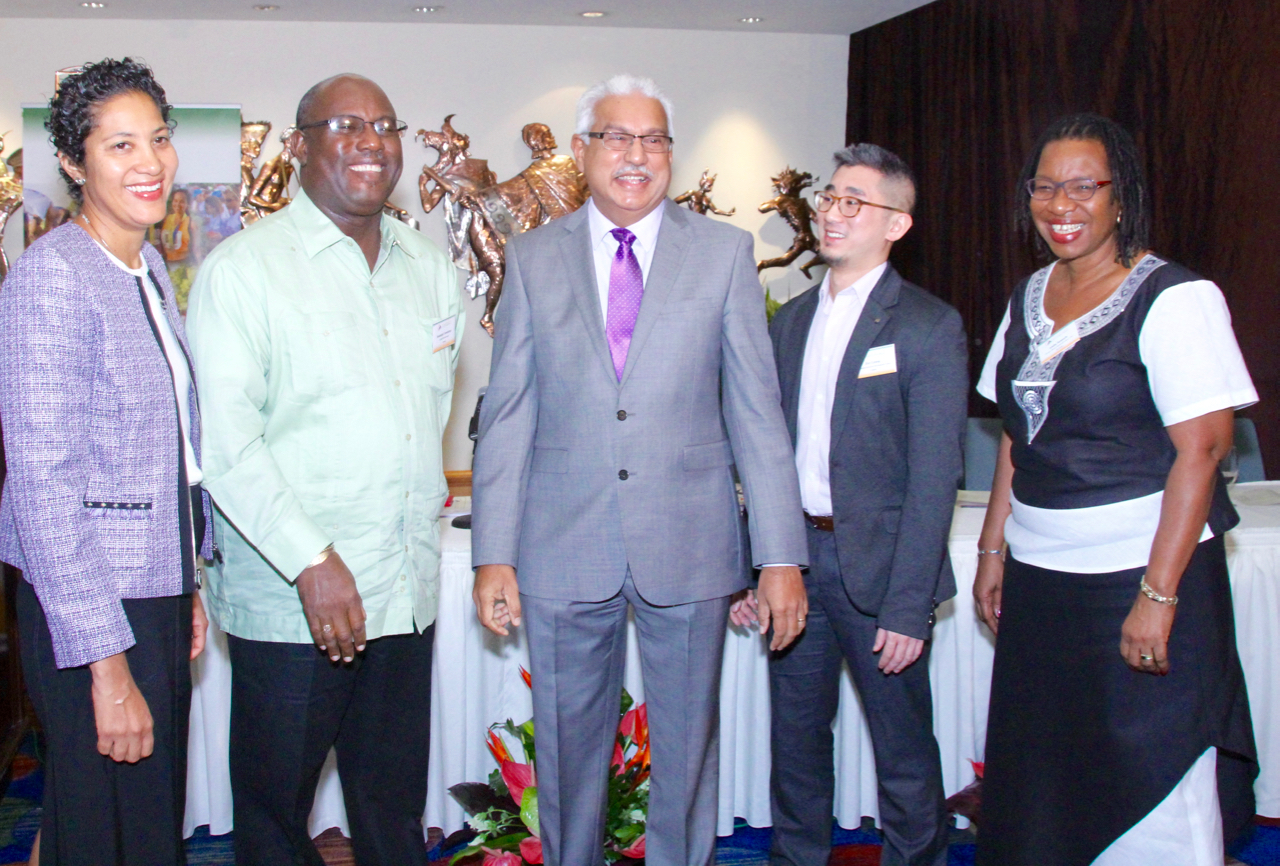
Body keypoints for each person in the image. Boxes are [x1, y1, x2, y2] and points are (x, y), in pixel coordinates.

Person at [470, 74, 808, 866]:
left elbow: (757, 415)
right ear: (583, 151)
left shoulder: (724, 254)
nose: (637, 155)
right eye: (617, 137)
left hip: (691, 547)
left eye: (654, 139)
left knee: (687, 758)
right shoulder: (532, 256)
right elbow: (509, 411)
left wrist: (781, 557)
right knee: (565, 756)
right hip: (560, 543)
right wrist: (494, 552)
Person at [185, 73, 462, 866]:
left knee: (392, 808)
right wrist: (312, 558)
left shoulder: (429, 266)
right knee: (275, 817)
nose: (372, 140)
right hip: (296, 600)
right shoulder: (244, 271)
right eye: (345, 125)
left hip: (402, 596)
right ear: (300, 146)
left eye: (385, 123)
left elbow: (423, 417)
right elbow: (228, 445)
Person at [972, 113, 1259, 865]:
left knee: (1147, 776)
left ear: (1120, 196)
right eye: (1045, 186)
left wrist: (1157, 597)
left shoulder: (1176, 298)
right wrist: (993, 547)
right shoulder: (1027, 294)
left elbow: (1201, 452)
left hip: (1137, 580)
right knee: (1044, 776)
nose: (1060, 204)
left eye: (1082, 186)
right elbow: (1014, 431)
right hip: (1040, 584)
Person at [0, 57, 211, 866]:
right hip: (88, 603)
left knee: (143, 824)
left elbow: (168, 452)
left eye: (157, 139)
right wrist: (107, 665)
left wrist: (185, 577)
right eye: (120, 146)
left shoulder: (147, 268)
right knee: (104, 831)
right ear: (72, 161)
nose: (149, 162)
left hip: (151, 589)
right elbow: (46, 492)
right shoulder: (51, 280)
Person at [746, 143, 967, 866]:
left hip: (882, 576)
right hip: (797, 566)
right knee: (796, 745)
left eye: (853, 202)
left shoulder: (928, 325)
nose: (832, 214)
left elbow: (937, 479)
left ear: (896, 224)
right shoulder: (790, 321)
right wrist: (756, 565)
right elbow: (766, 456)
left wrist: (909, 607)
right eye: (830, 198)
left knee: (903, 752)